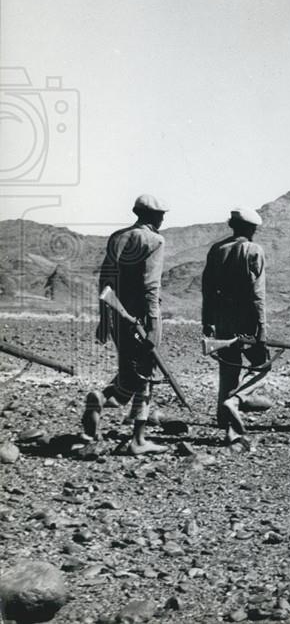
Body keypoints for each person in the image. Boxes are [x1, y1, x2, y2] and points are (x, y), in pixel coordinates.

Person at [84, 194, 169, 455]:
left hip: (117, 317)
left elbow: (104, 282)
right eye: (161, 214)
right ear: (153, 216)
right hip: (141, 318)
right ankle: (138, 440)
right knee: (143, 376)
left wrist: (103, 318)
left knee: (130, 372)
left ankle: (101, 400)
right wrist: (153, 323)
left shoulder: (118, 237)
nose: (163, 218)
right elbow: (150, 286)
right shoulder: (155, 240)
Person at [201, 208, 269, 446]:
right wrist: (261, 326)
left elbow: (207, 289)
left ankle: (224, 417)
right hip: (247, 318)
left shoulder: (217, 250)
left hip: (222, 318)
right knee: (262, 364)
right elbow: (257, 293)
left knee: (229, 367)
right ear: (251, 229)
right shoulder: (253, 250)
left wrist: (207, 320)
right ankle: (237, 400)